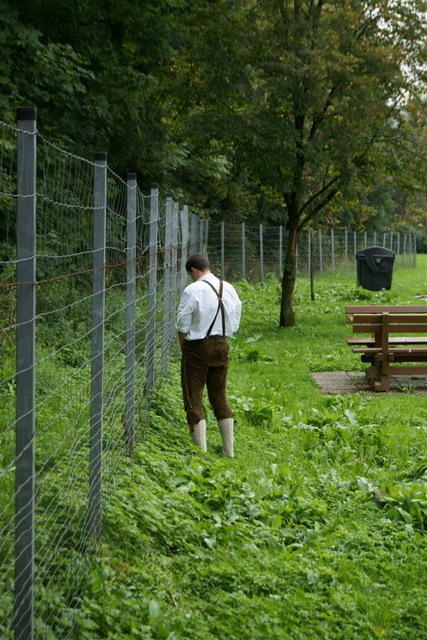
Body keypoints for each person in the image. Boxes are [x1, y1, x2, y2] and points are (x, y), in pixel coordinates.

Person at [176, 253, 242, 457]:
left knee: (193, 398)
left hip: (197, 347)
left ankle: (201, 453)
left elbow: (182, 323)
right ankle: (228, 451)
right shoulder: (229, 288)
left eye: (191, 274)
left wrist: (184, 346)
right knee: (219, 396)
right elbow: (236, 320)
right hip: (222, 344)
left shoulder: (192, 290)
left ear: (193, 270)